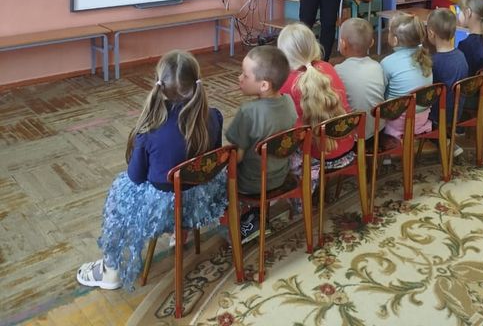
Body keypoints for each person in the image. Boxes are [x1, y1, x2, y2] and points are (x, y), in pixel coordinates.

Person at [76, 50, 226, 291]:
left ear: (160, 85)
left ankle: (111, 271)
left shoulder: (150, 130)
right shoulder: (214, 117)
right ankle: (181, 231)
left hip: (163, 209)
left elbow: (135, 177)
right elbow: (213, 160)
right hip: (201, 200)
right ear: (195, 82)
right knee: (185, 180)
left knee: (121, 190)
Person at [225, 45, 296, 241]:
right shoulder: (289, 101)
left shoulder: (248, 112)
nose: (239, 78)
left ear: (264, 85)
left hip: (251, 184)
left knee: (218, 176)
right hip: (281, 175)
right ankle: (256, 214)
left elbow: (237, 158)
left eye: (245, 75)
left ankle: (240, 222)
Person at [277, 23, 355, 185]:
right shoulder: (328, 68)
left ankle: (301, 191)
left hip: (312, 158)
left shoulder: (285, 82)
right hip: (346, 149)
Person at [380, 12, 433, 138]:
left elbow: (381, 92)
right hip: (422, 118)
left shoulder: (387, 63)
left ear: (395, 40)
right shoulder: (426, 59)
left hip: (398, 121)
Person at [335, 18, 385, 143]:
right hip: (378, 131)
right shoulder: (377, 67)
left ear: (343, 44)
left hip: (352, 136)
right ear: (372, 43)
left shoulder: (338, 71)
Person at [426, 8, 469, 127]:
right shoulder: (461, 55)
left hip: (438, 114)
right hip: (457, 111)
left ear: (431, 33)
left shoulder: (433, 61)